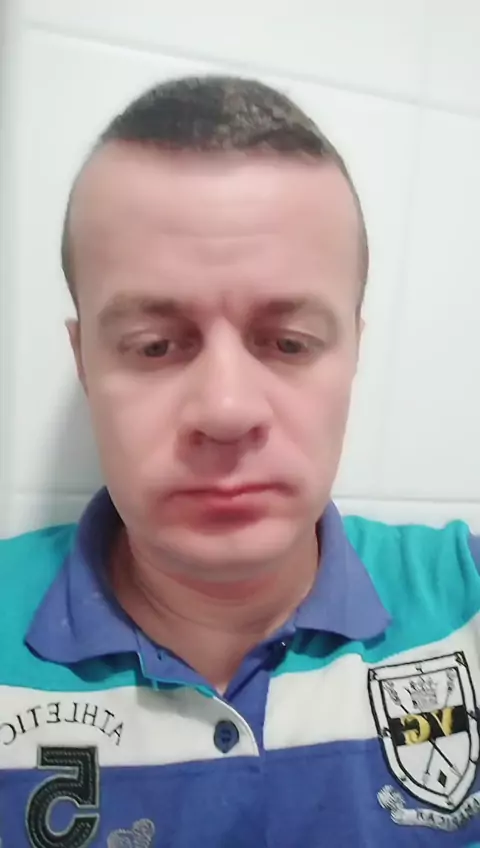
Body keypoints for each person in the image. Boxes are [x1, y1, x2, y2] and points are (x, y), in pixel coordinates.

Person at [1, 75, 479, 848]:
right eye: (155, 346)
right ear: (84, 360)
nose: (226, 409)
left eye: (288, 343)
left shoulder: (466, 606)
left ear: (353, 352)